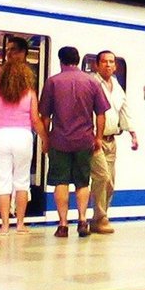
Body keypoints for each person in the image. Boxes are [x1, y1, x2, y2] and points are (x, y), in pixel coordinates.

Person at [39, 45, 108, 238]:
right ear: (78, 60)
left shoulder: (52, 82)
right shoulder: (92, 82)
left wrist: (45, 139)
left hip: (59, 140)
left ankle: (62, 225)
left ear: (60, 61)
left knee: (60, 182)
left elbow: (45, 116)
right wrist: (98, 138)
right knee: (82, 182)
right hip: (84, 140)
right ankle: (83, 220)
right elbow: (101, 114)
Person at [0, 49, 47, 233]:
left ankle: (4, 225)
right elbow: (36, 120)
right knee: (22, 181)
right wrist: (45, 139)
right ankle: (20, 224)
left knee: (2, 181)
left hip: (1, 136)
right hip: (23, 137)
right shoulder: (30, 93)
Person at [88, 49, 138, 233]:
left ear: (115, 66)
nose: (108, 65)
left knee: (110, 182)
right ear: (96, 65)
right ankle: (100, 217)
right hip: (96, 140)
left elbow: (123, 109)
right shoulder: (92, 83)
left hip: (111, 140)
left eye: (111, 62)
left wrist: (132, 133)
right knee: (102, 177)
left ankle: (100, 216)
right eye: (104, 62)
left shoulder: (116, 85)